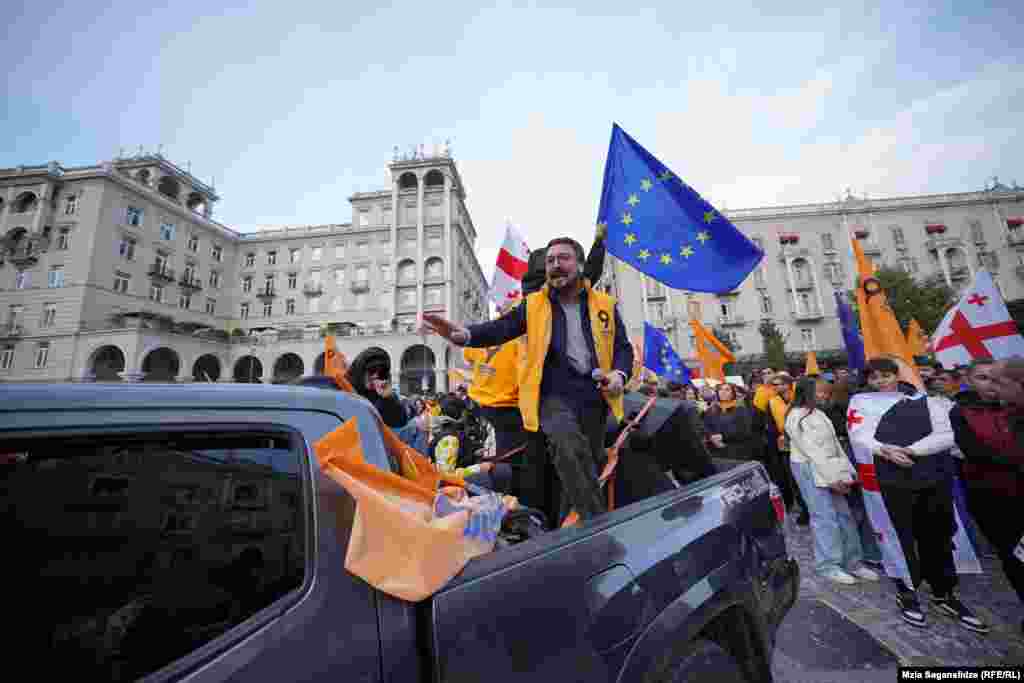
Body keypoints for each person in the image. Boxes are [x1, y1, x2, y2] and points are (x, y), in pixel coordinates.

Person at [422, 237, 633, 524]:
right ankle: (598, 526)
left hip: (595, 398)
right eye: (550, 260)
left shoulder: (605, 305)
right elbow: (502, 328)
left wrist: (619, 374)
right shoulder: (534, 305)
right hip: (552, 397)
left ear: (581, 265)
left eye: (564, 258)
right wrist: (464, 335)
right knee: (568, 445)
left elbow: (623, 348)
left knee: (582, 466)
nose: (556, 265)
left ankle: (567, 530)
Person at [851, 357, 987, 633]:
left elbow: (946, 434)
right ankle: (907, 590)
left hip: (930, 475)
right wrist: (884, 449)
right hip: (889, 478)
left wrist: (914, 450)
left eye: (886, 375)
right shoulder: (861, 401)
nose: (881, 381)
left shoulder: (924, 398)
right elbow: (859, 433)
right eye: (874, 377)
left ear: (897, 375)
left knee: (936, 533)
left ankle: (944, 591)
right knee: (898, 536)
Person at [950, 360, 1024, 633]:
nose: (991, 386)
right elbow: (976, 452)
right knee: (1013, 558)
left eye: (997, 380)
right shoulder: (960, 412)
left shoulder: (1016, 408)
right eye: (983, 378)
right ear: (969, 380)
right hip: (991, 497)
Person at [785, 378, 880, 585]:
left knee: (844, 515)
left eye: (826, 392)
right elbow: (812, 452)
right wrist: (832, 478)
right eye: (820, 392)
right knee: (824, 516)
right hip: (809, 468)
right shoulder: (795, 417)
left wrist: (848, 472)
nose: (825, 396)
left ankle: (853, 562)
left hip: (830, 467)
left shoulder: (819, 413)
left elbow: (835, 444)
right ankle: (828, 565)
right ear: (807, 392)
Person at [818, 378, 883, 569]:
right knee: (865, 509)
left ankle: (858, 551)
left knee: (853, 510)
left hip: (845, 462)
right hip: (860, 461)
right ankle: (871, 552)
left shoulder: (826, 412)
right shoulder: (857, 410)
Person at [346, 347, 408, 428]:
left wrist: (388, 398)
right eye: (372, 370)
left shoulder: (381, 393)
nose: (375, 375)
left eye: (381, 372)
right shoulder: (346, 389)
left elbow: (400, 422)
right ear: (361, 371)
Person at [703, 383, 761, 462]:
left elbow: (745, 431)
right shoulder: (710, 410)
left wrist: (723, 437)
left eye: (727, 390)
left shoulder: (741, 409)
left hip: (737, 451)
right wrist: (711, 437)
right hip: (716, 451)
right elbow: (705, 427)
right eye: (720, 389)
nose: (723, 392)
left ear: (733, 393)